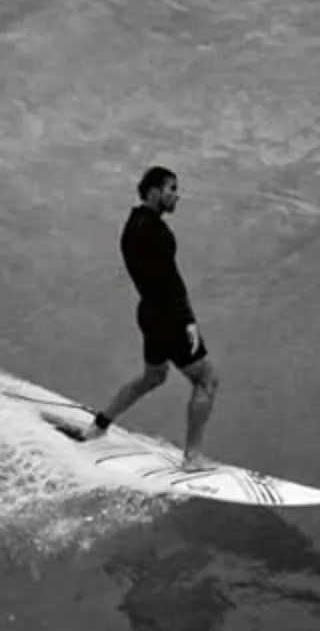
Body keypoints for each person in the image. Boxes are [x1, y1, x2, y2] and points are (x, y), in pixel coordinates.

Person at [79, 164, 220, 468]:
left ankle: (99, 426)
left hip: (148, 312)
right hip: (168, 315)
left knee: (153, 376)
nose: (176, 197)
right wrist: (187, 321)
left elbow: (153, 279)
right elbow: (169, 280)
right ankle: (192, 458)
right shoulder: (157, 233)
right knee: (207, 379)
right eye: (172, 190)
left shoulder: (132, 225)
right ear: (154, 192)